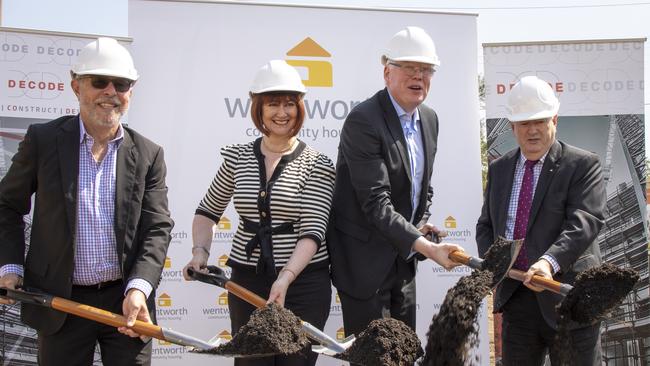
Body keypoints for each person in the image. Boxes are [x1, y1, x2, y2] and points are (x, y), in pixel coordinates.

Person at [0, 37, 174, 365]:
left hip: (127, 305)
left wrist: (139, 288)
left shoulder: (149, 154)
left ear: (130, 93)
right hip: (59, 302)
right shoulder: (43, 140)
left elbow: (157, 228)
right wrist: (10, 267)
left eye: (120, 83)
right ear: (76, 86)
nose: (110, 91)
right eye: (99, 81)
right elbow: (7, 206)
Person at [183, 60, 335, 366]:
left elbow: (313, 230)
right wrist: (200, 252)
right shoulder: (237, 157)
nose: (282, 112)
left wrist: (285, 278)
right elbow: (207, 212)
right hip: (246, 282)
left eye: (290, 104)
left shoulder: (317, 164)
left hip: (303, 285)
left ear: (300, 109)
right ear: (259, 109)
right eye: (273, 104)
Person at [327, 26, 464, 338]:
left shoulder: (429, 119)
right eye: (410, 68)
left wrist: (420, 224)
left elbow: (421, 187)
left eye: (426, 69)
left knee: (403, 351)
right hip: (364, 265)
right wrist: (427, 247)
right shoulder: (364, 120)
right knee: (374, 356)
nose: (419, 76)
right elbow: (375, 202)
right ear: (387, 72)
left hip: (403, 261)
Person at [476, 75, 605, 366]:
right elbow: (486, 227)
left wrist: (547, 263)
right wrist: (498, 263)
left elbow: (585, 221)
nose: (532, 131)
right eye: (524, 123)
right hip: (518, 299)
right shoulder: (499, 169)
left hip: (569, 300)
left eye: (540, 121)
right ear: (512, 126)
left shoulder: (583, 165)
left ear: (555, 120)